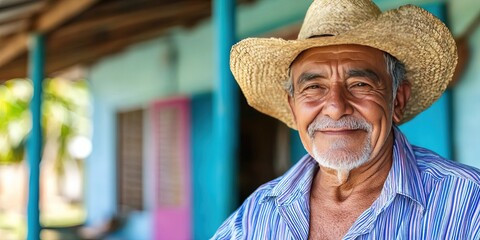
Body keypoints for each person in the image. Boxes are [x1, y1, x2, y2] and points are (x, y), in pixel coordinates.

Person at [212, 0, 480, 239]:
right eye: (314, 87)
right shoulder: (253, 218)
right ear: (293, 108)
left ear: (397, 99)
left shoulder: (469, 204)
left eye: (360, 84)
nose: (336, 108)